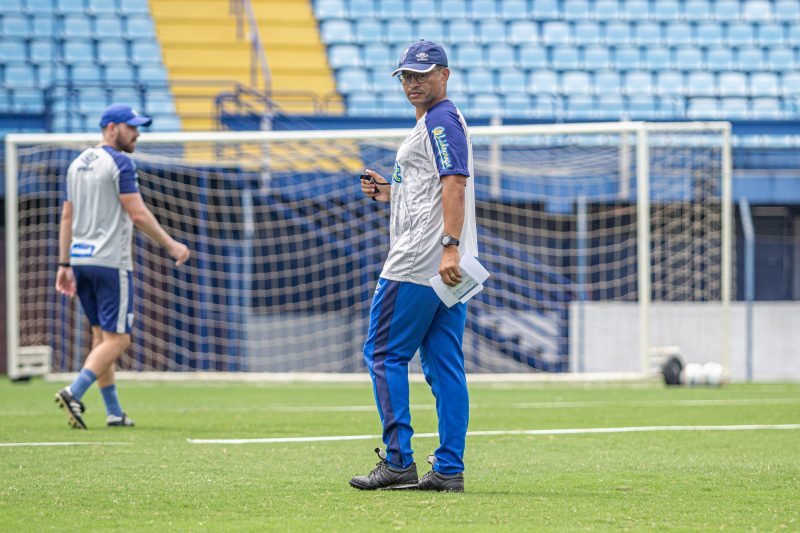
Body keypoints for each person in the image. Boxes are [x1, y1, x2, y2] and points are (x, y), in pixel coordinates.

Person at [349, 40, 478, 492]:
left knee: (383, 354)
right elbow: (431, 189)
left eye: (421, 74)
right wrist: (389, 191)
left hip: (419, 261)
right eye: (406, 75)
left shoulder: (440, 119)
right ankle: (448, 469)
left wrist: (448, 245)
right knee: (444, 365)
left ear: (445, 73)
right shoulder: (436, 121)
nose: (412, 82)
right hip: (443, 263)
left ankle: (400, 460)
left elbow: (455, 183)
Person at [54, 104, 190, 429]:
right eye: (132, 127)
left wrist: (64, 263)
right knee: (120, 340)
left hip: (81, 259)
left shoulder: (77, 163)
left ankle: (114, 412)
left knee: (102, 339)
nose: (138, 134)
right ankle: (74, 391)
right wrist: (172, 245)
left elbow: (67, 217)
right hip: (111, 262)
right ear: (112, 128)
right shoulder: (120, 162)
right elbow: (138, 214)